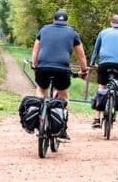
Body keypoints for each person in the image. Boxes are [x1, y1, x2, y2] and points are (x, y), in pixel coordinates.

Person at [32, 9, 89, 140]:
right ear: (67, 22)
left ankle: (39, 115)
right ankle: (62, 130)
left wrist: (35, 66)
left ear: (53, 20)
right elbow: (81, 55)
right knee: (63, 94)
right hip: (62, 70)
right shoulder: (72, 33)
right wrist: (84, 71)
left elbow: (35, 50)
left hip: (43, 67)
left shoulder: (44, 30)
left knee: (41, 88)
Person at [89, 14, 118, 128]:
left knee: (102, 87)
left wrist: (92, 63)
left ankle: (97, 119)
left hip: (104, 64)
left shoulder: (103, 32)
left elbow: (96, 50)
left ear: (111, 23)